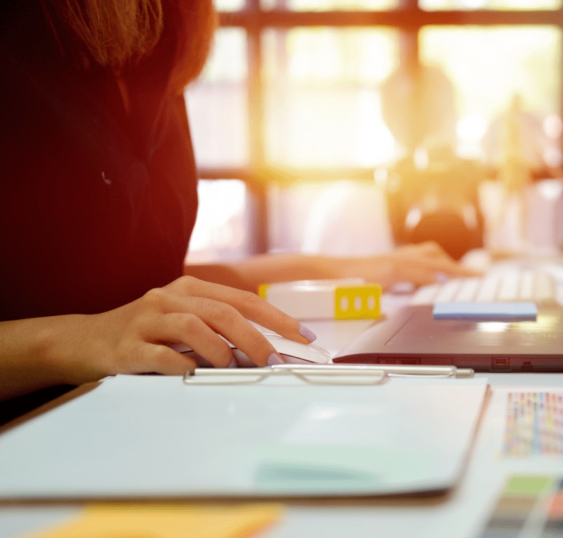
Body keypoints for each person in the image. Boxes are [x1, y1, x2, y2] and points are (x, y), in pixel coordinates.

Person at [0, 0, 475, 402]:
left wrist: (348, 268)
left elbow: (152, 289)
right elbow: (107, 319)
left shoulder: (165, 31)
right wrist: (75, 340)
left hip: (142, 410)